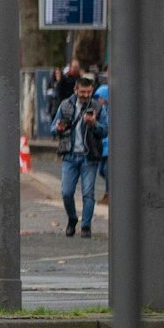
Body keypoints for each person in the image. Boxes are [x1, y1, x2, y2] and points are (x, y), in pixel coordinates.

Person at [51, 74, 106, 237]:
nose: (86, 95)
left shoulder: (97, 107)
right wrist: (58, 128)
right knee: (66, 192)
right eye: (83, 92)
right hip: (69, 155)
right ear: (76, 90)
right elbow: (53, 127)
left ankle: (86, 226)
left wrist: (94, 124)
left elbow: (105, 129)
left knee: (88, 193)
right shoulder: (65, 105)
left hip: (89, 155)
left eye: (89, 92)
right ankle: (72, 218)